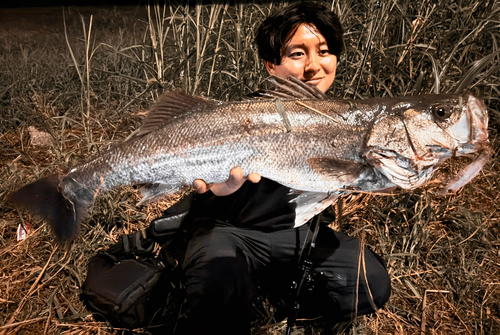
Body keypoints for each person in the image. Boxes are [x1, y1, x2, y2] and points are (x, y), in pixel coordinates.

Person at [162, 3, 391, 334]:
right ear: (272, 64)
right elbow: (207, 186)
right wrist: (218, 190)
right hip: (232, 234)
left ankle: (276, 298)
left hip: (301, 240)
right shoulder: (247, 116)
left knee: (372, 281)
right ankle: (230, 293)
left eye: (324, 51)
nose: (314, 65)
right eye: (297, 54)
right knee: (219, 273)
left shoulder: (345, 120)